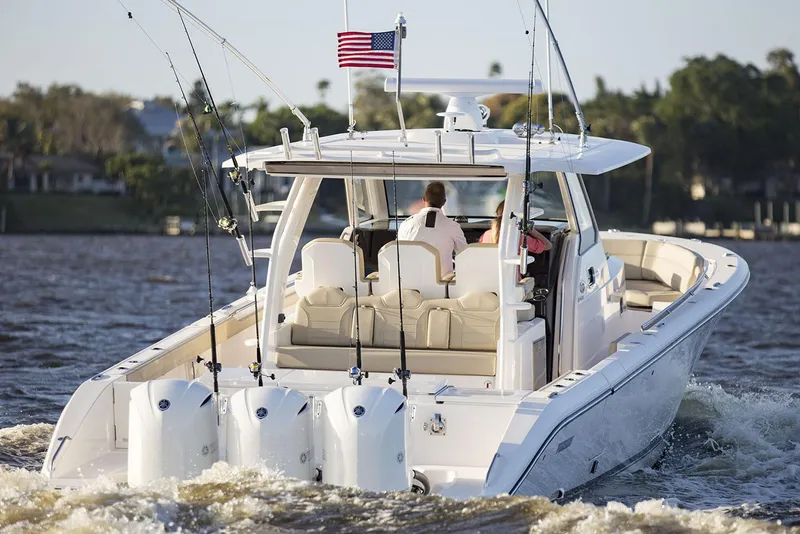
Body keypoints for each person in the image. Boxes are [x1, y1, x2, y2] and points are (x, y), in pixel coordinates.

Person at [397, 181, 467, 276]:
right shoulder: (453, 226)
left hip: (413, 282)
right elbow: (465, 255)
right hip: (442, 286)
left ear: (423, 200)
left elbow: (399, 253)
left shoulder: (406, 224)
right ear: (444, 202)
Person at [479, 200, 552, 254]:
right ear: (519, 215)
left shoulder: (486, 235)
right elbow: (548, 245)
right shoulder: (517, 237)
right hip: (511, 275)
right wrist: (531, 230)